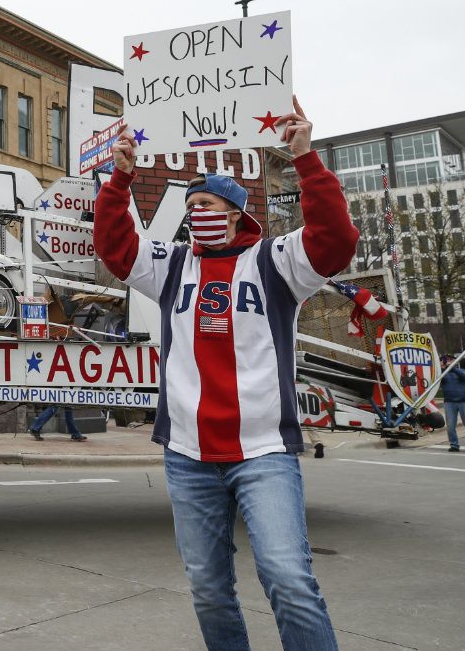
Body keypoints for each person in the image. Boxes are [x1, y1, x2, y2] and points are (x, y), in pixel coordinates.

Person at [95, 97, 356, 651]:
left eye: (208, 204)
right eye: (192, 207)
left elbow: (335, 241)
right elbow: (116, 247)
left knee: (289, 579)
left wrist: (306, 159)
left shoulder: (275, 261)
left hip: (263, 451)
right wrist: (119, 179)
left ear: (237, 211)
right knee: (209, 588)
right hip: (187, 455)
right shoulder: (172, 266)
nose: (197, 214)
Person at [440, 354, 465, 453]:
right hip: (449, 402)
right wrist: (441, 368)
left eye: (450, 359)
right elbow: (438, 379)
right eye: (446, 360)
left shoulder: (461, 370)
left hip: (463, 402)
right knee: (450, 426)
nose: (448, 361)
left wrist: (452, 368)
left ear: (455, 360)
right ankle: (454, 445)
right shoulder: (443, 373)